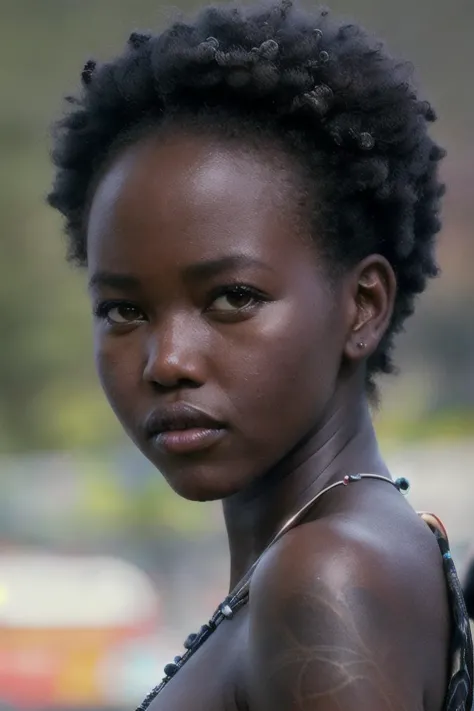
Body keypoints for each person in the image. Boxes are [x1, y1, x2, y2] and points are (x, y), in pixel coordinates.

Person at [47, 2, 473, 709]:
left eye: (232, 297)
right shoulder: (335, 553)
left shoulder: (325, 573)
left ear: (362, 305)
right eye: (125, 310)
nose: (168, 360)